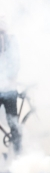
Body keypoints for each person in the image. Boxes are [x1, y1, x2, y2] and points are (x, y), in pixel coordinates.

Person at [0, 16, 22, 154]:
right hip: (6, 88)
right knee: (13, 122)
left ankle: (18, 152)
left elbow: (15, 63)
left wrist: (9, 79)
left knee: (13, 123)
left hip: (9, 89)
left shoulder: (11, 40)